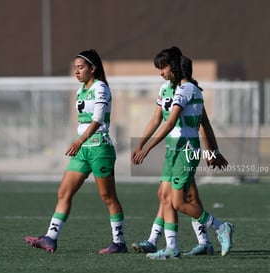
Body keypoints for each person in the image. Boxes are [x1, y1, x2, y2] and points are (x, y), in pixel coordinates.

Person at [132, 51, 234, 260]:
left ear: (175, 67)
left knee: (179, 202)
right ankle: (171, 247)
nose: (161, 72)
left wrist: (147, 148)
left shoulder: (187, 89)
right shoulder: (168, 89)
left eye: (163, 67)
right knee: (165, 197)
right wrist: (140, 142)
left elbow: (174, 123)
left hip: (186, 150)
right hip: (173, 150)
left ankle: (221, 227)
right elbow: (156, 120)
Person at [25, 49, 127, 254]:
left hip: (99, 148)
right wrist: (80, 143)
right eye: (75, 68)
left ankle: (119, 242)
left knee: (108, 197)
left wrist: (79, 141)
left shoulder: (101, 88)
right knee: (64, 192)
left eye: (80, 67)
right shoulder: (81, 90)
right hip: (83, 150)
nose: (77, 72)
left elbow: (97, 120)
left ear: (92, 68)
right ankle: (50, 238)